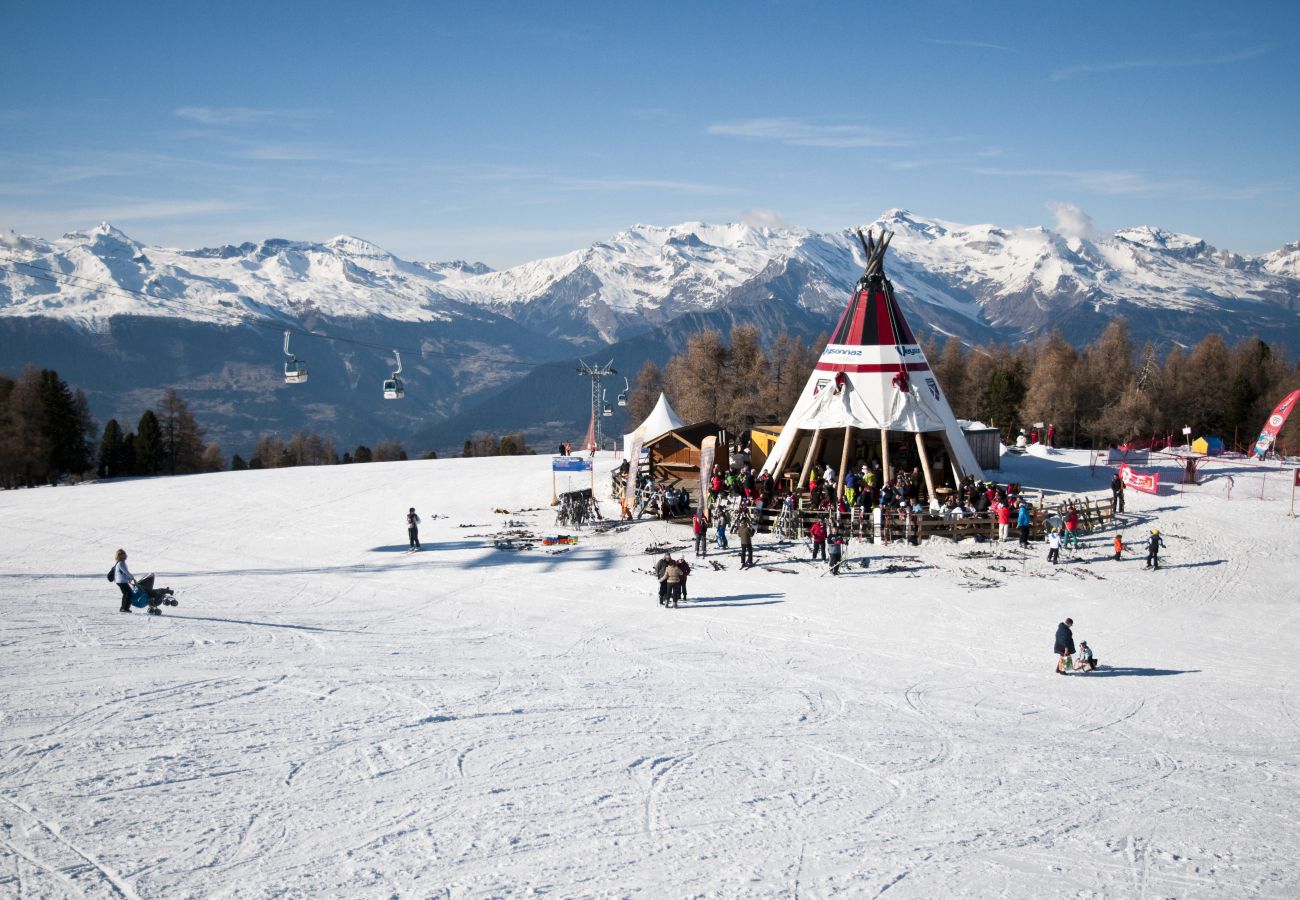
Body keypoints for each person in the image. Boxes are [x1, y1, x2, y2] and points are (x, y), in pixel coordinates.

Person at [112, 548, 136, 613]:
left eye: (124, 554)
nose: (124, 555)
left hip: (121, 581)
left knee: (126, 593)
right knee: (129, 593)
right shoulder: (121, 563)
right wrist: (132, 577)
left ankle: (123, 608)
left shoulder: (121, 562)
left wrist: (129, 578)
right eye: (121, 554)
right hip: (121, 581)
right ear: (119, 556)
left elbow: (123, 573)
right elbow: (126, 572)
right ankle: (125, 608)